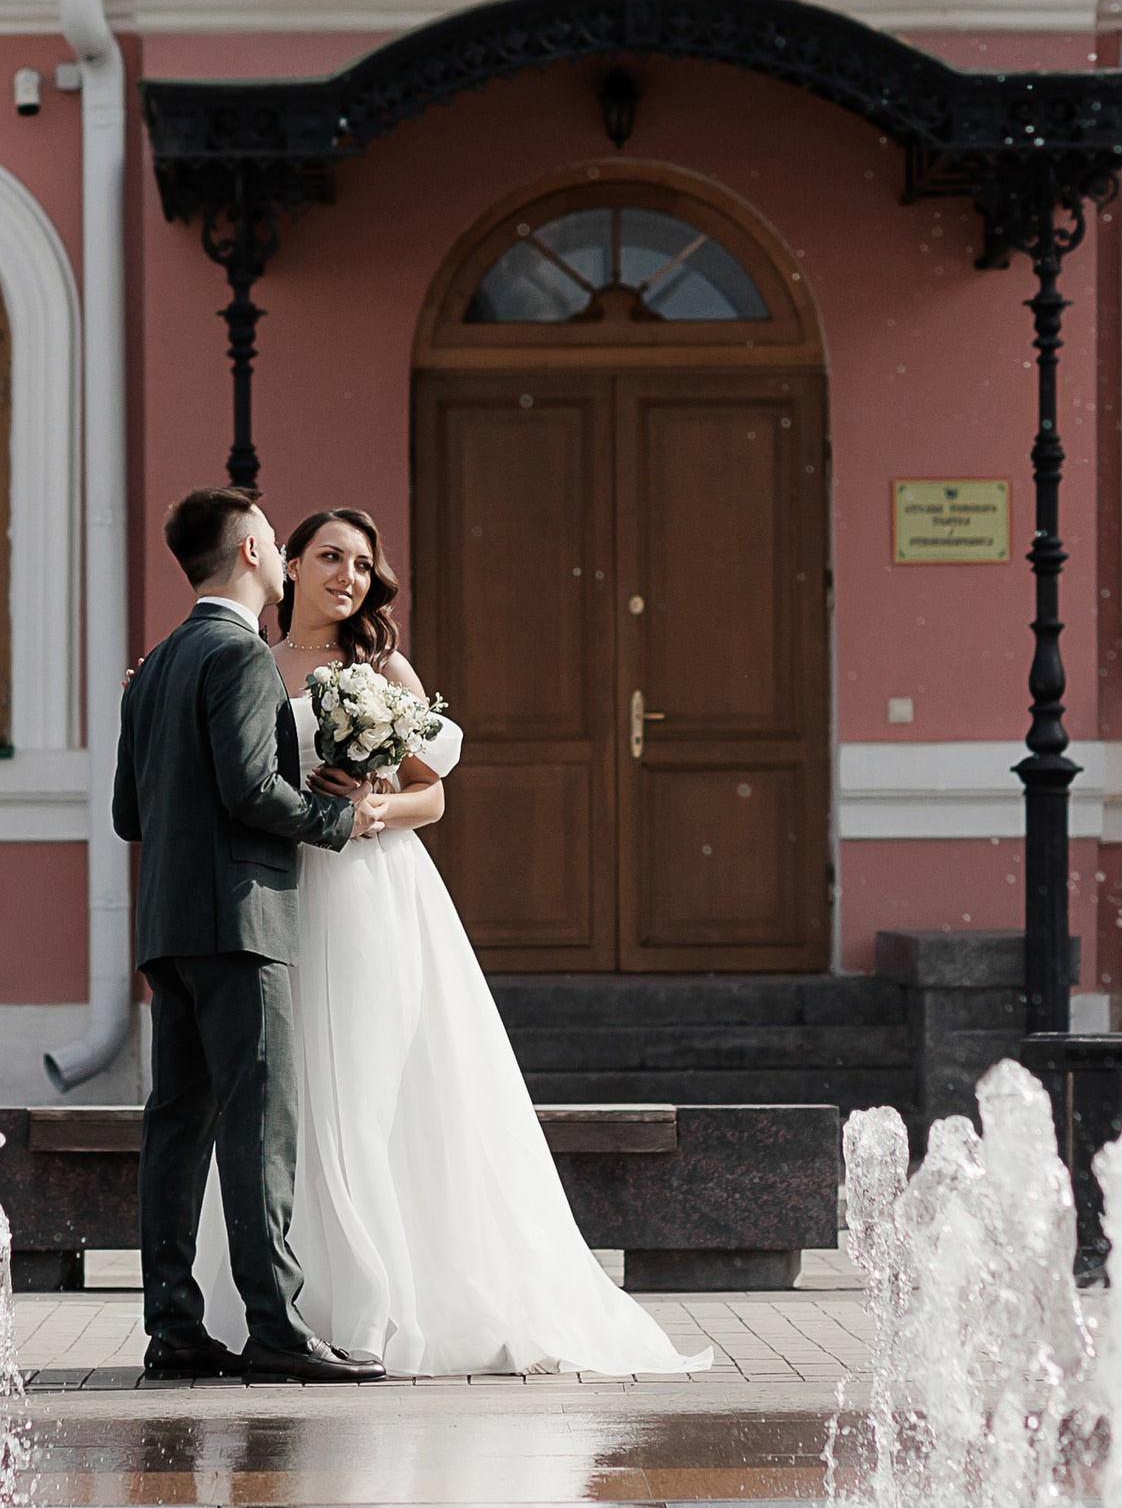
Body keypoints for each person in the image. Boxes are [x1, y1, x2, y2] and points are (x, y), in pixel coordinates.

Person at [193, 505, 708, 1380]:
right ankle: (287, 1303)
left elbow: (433, 794)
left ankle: (381, 1302)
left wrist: (369, 810)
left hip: (370, 892)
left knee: (362, 1082)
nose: (346, 577)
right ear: (288, 562)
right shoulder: (253, 663)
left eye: (361, 564)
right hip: (285, 892)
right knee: (290, 1087)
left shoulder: (378, 665)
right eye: (328, 557)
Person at [111, 485, 386, 1384]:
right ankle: (276, 1327)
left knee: (177, 1127)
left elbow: (127, 813)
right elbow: (251, 792)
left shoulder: (152, 668)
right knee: (261, 1127)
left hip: (168, 926)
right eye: (271, 539)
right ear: (256, 553)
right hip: (242, 922)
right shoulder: (240, 656)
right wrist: (339, 822)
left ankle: (174, 1327)